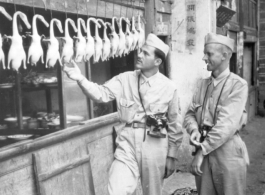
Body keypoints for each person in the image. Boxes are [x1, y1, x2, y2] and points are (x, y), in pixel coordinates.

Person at [63, 33, 183, 195]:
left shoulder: (169, 87)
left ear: (157, 61)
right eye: (140, 51)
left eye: (145, 53)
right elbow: (101, 93)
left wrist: (172, 156)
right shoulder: (125, 79)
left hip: (155, 145)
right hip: (127, 143)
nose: (139, 55)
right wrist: (80, 78)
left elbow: (175, 124)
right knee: (116, 190)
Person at [184, 33, 249, 195]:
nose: (204, 58)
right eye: (205, 53)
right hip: (204, 154)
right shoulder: (202, 85)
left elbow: (226, 125)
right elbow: (190, 114)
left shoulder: (238, 85)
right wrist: (193, 130)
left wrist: (201, 151)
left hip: (228, 155)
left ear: (225, 56)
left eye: (209, 54)